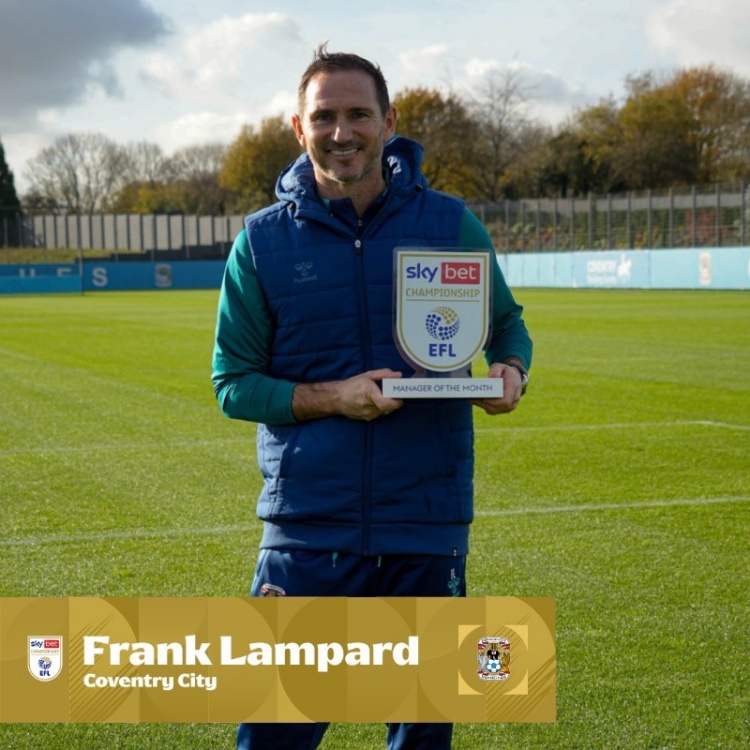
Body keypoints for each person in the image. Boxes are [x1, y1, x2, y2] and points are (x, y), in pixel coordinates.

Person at [212, 43, 533, 750]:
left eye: (359, 114)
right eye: (324, 116)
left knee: (422, 738)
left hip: (425, 526)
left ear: (388, 122)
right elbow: (232, 384)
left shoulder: (450, 224)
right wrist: (335, 398)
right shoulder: (260, 244)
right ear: (298, 128)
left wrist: (511, 369)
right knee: (272, 736)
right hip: (308, 531)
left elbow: (508, 324)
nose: (342, 131)